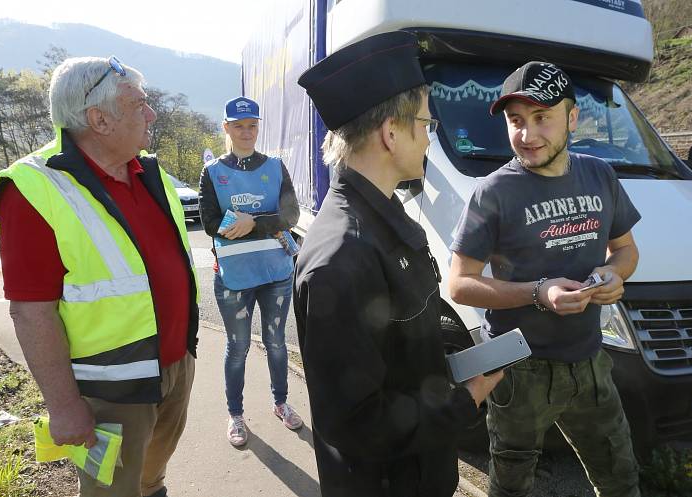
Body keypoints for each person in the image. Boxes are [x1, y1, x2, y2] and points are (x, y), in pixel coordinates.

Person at [294, 31, 504, 497]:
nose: (429, 138)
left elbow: (404, 352)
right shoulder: (342, 258)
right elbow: (357, 423)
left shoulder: (382, 219)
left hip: (417, 472)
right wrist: (467, 399)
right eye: (426, 124)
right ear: (392, 133)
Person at [0, 56, 199, 497]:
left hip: (174, 366)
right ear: (99, 119)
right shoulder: (33, 188)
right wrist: (63, 407)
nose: (151, 114)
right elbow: (31, 311)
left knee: (150, 480)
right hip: (110, 393)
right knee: (111, 492)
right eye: (139, 104)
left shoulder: (147, 170)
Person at [448, 61, 642, 497]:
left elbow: (626, 250)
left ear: (572, 118)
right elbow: (459, 283)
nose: (527, 134)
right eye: (516, 121)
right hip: (518, 369)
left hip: (590, 360)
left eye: (541, 118)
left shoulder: (600, 175)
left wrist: (613, 274)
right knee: (512, 485)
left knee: (620, 476)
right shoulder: (493, 193)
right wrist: (539, 292)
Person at [198, 96, 303, 448]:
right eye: (239, 126)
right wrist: (257, 223)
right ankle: (236, 415)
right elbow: (210, 222)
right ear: (226, 128)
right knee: (238, 347)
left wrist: (251, 222)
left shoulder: (275, 166)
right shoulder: (212, 173)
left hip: (276, 272)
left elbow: (291, 216)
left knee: (276, 343)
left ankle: (281, 403)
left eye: (252, 125)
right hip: (234, 277)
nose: (247, 132)